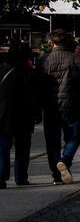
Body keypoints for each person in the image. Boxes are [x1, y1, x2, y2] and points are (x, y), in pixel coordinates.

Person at [39, 29, 80, 184]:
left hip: (51, 106)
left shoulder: (44, 60)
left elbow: (38, 85)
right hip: (71, 105)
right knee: (73, 137)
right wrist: (78, 96)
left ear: (51, 42)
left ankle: (57, 176)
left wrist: (41, 102)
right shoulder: (79, 60)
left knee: (52, 141)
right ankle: (65, 160)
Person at [0, 39, 47, 187]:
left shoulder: (1, 71)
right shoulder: (30, 74)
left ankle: (1, 176)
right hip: (24, 116)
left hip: (2, 115)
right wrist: (38, 114)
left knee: (3, 146)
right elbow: (36, 98)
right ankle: (20, 177)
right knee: (22, 148)